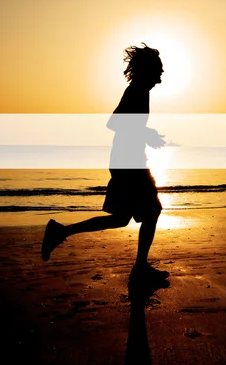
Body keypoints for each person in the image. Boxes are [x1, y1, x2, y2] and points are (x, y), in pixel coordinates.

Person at [41, 42, 169, 282]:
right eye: (159, 68)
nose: (161, 73)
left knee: (121, 219)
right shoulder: (137, 90)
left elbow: (127, 126)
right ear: (148, 70)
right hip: (128, 164)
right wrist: (146, 134)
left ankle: (61, 231)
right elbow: (114, 123)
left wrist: (145, 134)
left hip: (128, 162)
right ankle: (139, 268)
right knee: (152, 211)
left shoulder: (141, 90)